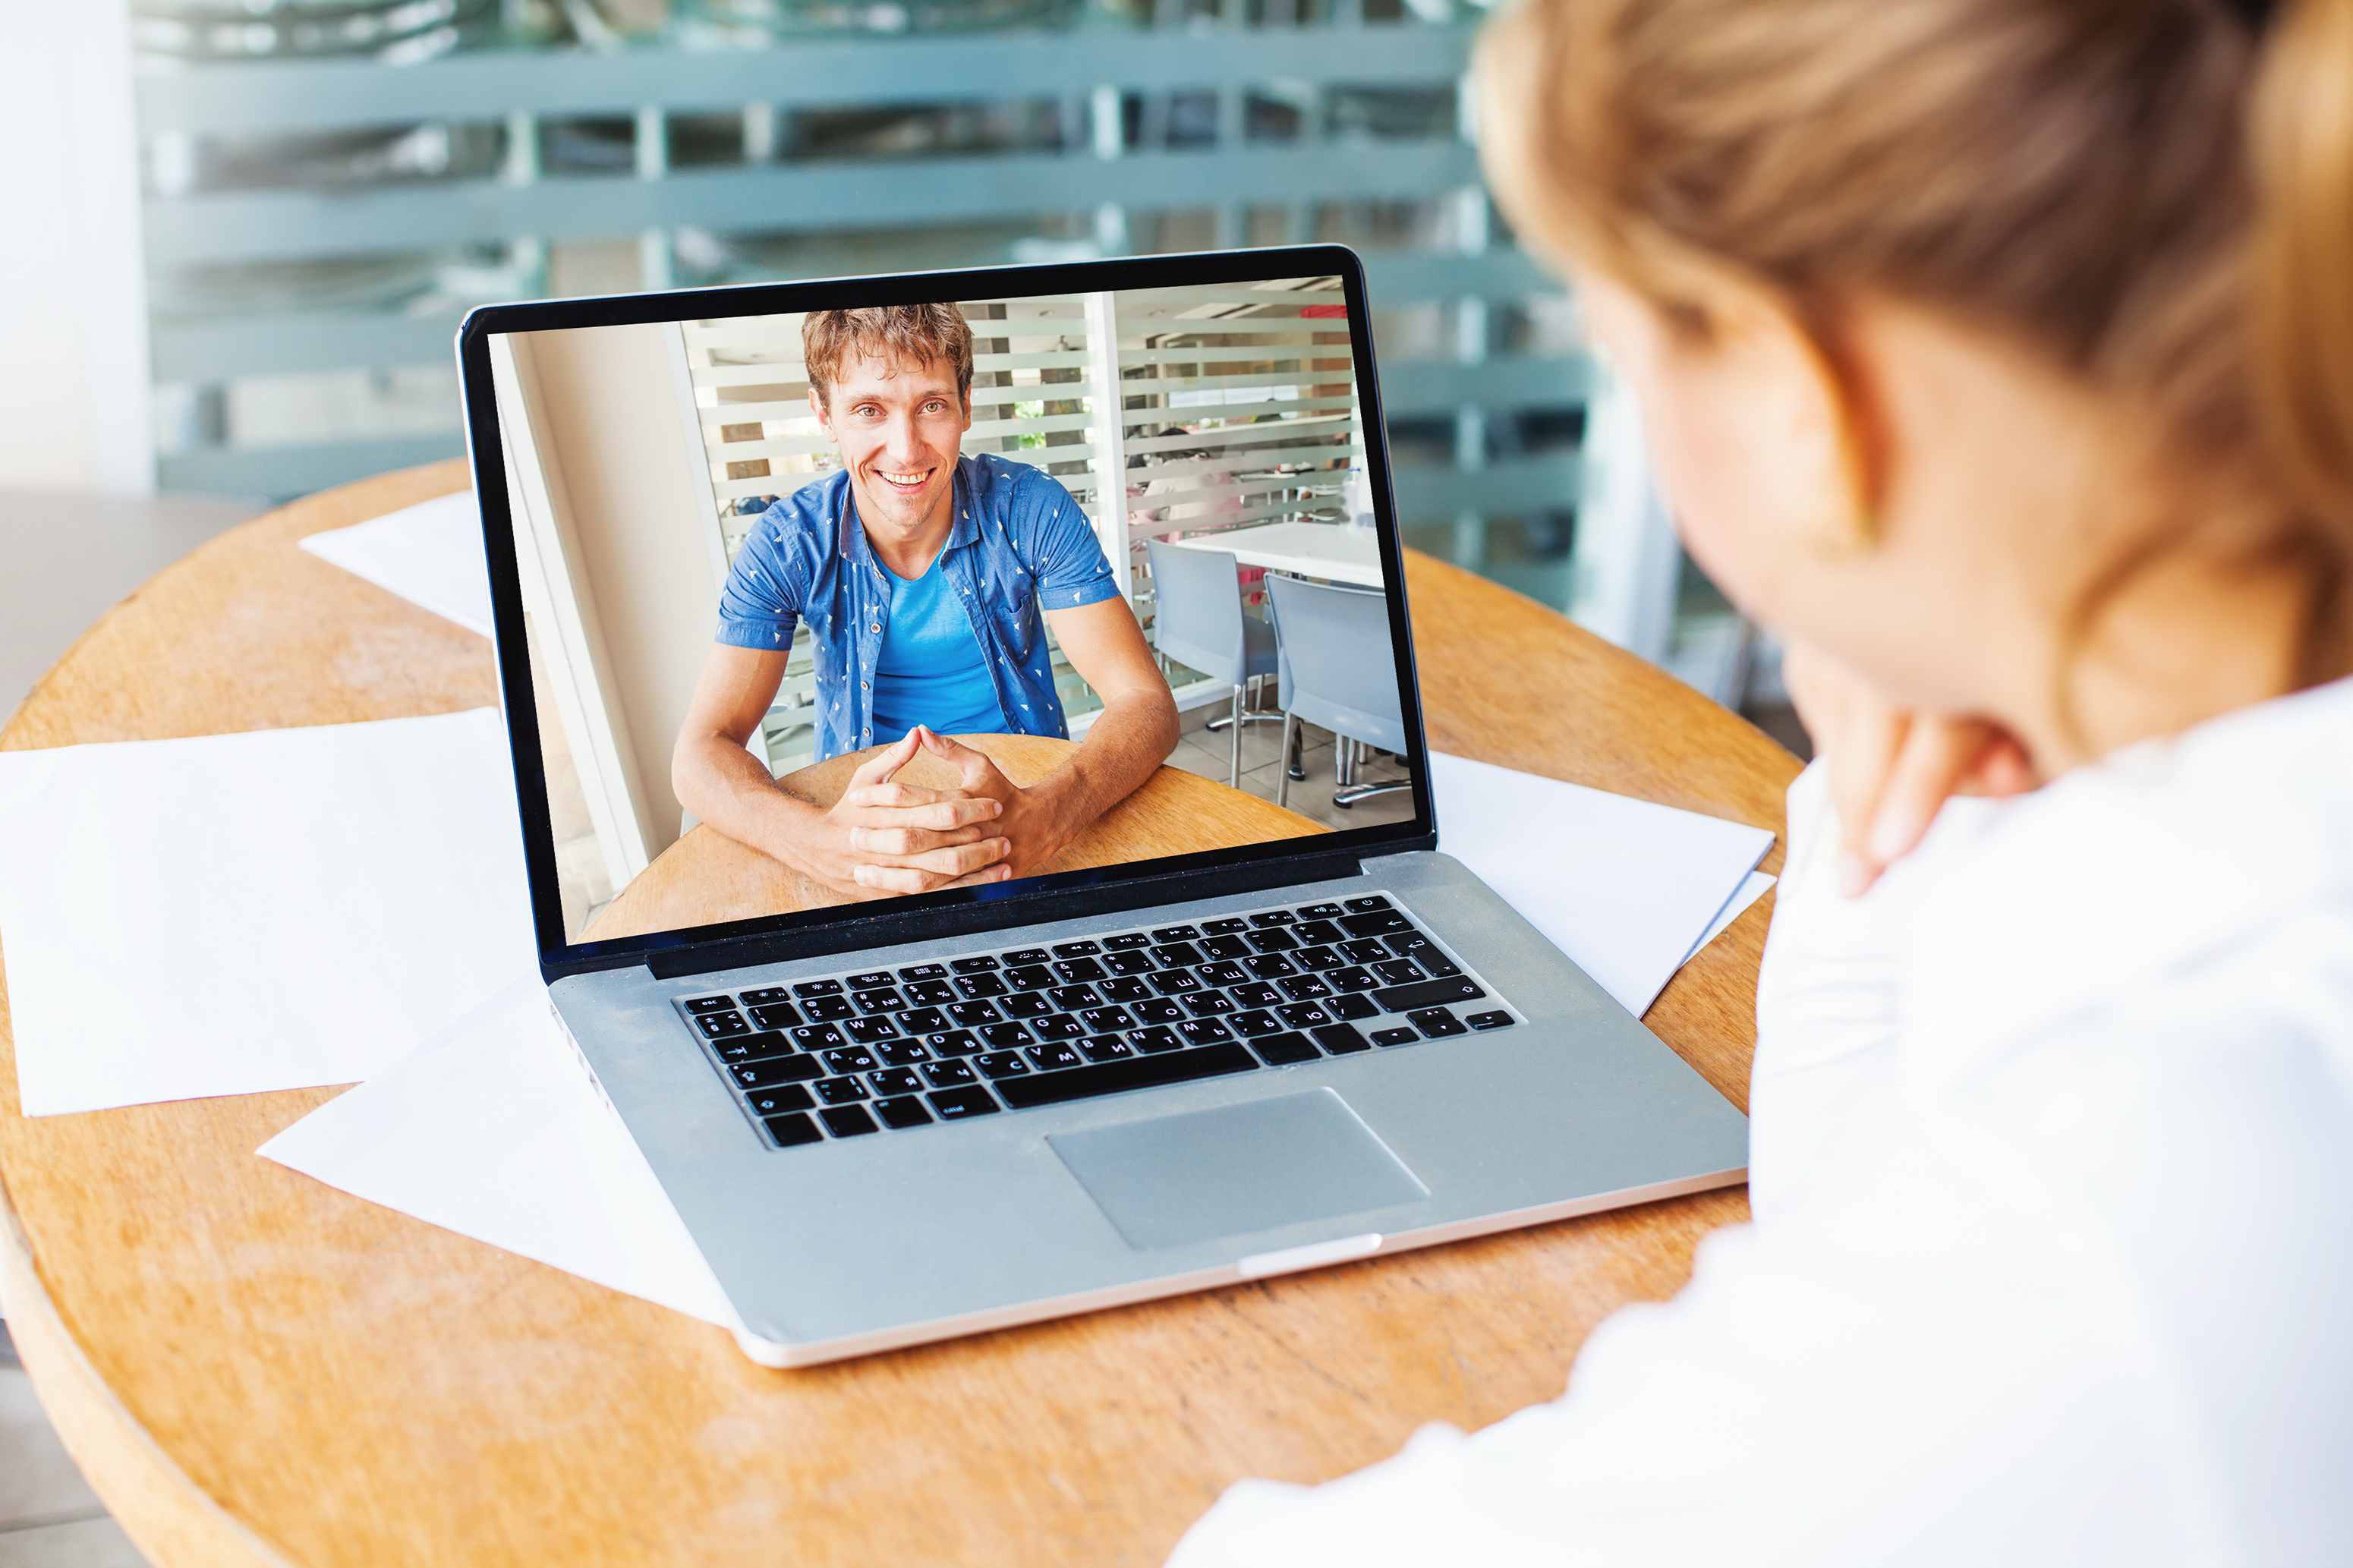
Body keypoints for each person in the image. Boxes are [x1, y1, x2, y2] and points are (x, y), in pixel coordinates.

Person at [1170, 0, 2353, 1561]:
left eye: (1623, 345)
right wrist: (1899, 793)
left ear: (1803, 402)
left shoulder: (2132, 1223)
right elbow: (1865, 1286)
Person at [673, 304, 1179, 900]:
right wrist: (816, 842)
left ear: (966, 404)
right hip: (864, 825)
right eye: (868, 410)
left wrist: (1053, 813)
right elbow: (701, 753)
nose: (906, 450)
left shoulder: (1030, 507)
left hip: (1024, 804)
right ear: (824, 413)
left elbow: (1145, 701)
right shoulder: (788, 541)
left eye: (931, 406)